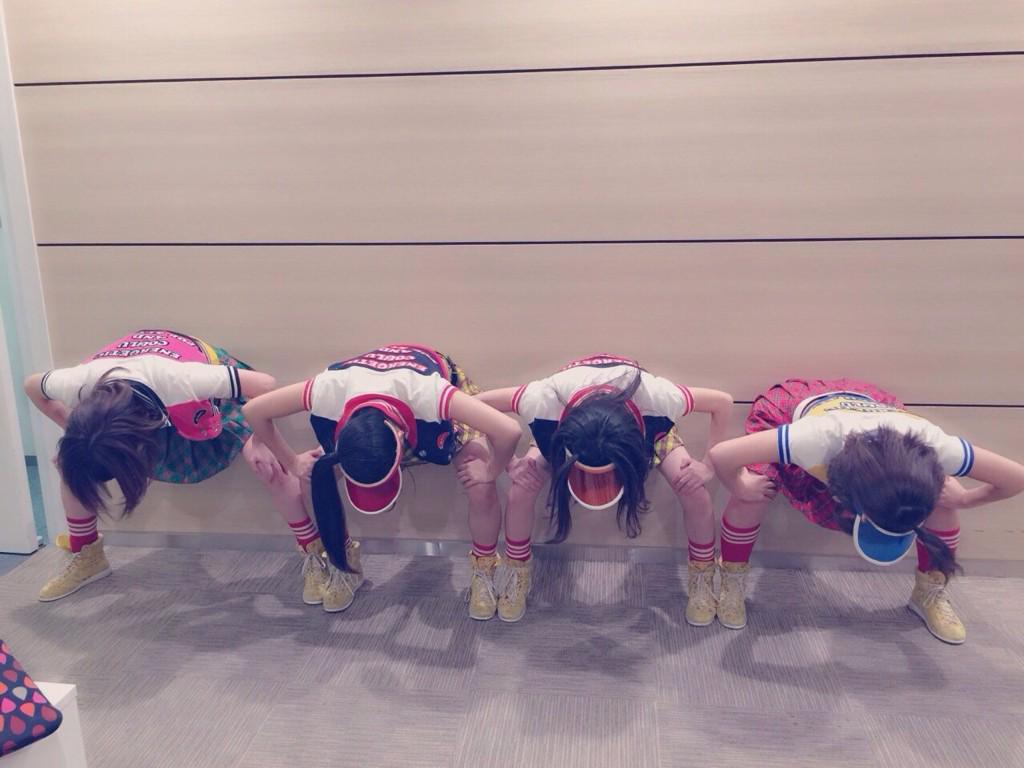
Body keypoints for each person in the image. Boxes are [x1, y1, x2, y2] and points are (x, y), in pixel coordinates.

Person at [708, 378, 1024, 643]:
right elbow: (723, 455)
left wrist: (963, 499)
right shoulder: (815, 440)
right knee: (755, 488)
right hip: (800, 411)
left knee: (944, 495)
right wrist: (741, 486)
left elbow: (1016, 478)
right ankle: (732, 580)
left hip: (874, 420)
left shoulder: (933, 445)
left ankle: (930, 591)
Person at [22, 329, 324, 602]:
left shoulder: (180, 381)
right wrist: (77, 436)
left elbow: (264, 384)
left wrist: (259, 440)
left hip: (192, 389)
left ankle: (316, 553)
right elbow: (32, 385)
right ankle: (87, 555)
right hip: (137, 397)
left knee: (267, 462)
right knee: (71, 463)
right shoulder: (78, 383)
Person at [242, 344, 521, 616]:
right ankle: (343, 562)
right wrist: (293, 463)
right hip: (367, 405)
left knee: (480, 484)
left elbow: (508, 430)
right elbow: (253, 411)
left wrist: (491, 471)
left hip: (422, 389)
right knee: (314, 476)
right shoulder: (328, 389)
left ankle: (484, 571)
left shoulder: (428, 394)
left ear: (401, 443)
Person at [477, 354, 733, 624]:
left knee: (694, 491)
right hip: (569, 427)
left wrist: (708, 466)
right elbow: (479, 405)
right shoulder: (544, 399)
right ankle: (516, 571)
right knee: (520, 489)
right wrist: (507, 463)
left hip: (636, 425)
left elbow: (722, 403)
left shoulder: (656, 397)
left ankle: (702, 578)